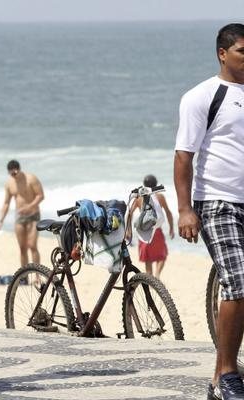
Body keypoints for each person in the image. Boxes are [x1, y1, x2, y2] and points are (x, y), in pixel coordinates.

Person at [174, 23, 244, 400]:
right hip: (218, 202)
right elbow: (184, 155)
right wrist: (185, 209)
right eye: (242, 52)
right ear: (223, 53)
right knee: (239, 281)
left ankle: (219, 380)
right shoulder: (202, 96)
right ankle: (229, 374)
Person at [124, 174, 175, 280]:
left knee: (147, 257)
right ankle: (157, 275)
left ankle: (151, 277)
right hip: (156, 230)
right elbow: (168, 212)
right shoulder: (160, 197)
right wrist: (171, 228)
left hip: (144, 231)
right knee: (162, 254)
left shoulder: (139, 197)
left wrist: (128, 230)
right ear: (156, 184)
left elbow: (129, 213)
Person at [0, 160, 45, 268]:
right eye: (11, 174)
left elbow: (40, 196)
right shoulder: (9, 184)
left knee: (32, 246)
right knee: (22, 248)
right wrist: (0, 220)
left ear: (19, 170)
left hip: (33, 215)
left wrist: (29, 207)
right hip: (19, 217)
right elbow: (6, 203)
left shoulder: (31, 179)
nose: (13, 176)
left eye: (14, 173)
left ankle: (37, 275)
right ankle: (24, 277)